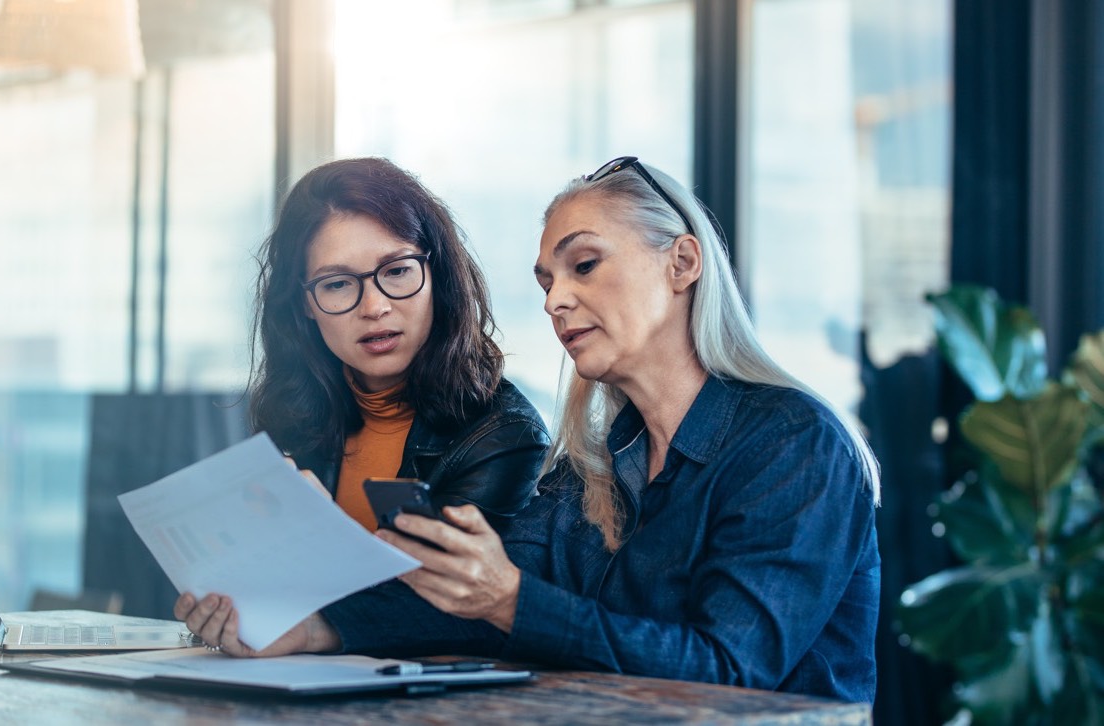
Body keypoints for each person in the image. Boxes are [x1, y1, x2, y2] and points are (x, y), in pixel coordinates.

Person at [176, 156, 882, 704]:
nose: (558, 300)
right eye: (547, 281)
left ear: (683, 263)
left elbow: (731, 672)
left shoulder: (793, 444)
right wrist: (312, 629)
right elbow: (470, 603)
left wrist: (512, 598)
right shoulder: (596, 462)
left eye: (584, 265)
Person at [247, 156, 548, 531]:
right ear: (305, 304)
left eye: (397, 271)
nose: (375, 308)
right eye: (337, 284)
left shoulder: (503, 437)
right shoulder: (295, 415)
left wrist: (324, 537)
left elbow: (443, 590)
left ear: (437, 274)